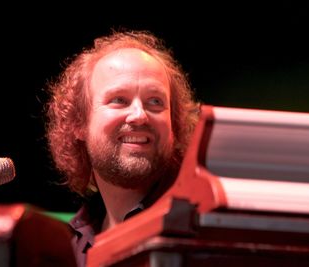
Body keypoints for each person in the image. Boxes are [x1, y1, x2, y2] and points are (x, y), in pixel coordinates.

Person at [45, 29, 200, 267]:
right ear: (79, 123)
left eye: (155, 102)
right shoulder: (71, 244)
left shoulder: (200, 226)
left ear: (174, 125)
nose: (139, 115)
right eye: (119, 100)